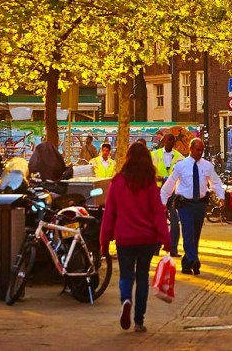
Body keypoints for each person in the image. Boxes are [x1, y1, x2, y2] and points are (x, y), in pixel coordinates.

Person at [99, 141, 170, 333]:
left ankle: (126, 300)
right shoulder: (149, 183)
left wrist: (103, 242)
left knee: (126, 275)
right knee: (142, 277)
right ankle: (139, 320)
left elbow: (109, 214)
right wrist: (166, 239)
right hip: (147, 239)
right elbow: (158, 213)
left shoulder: (117, 182)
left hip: (124, 238)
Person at [160, 138, 224, 276]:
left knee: (195, 235)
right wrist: (163, 201)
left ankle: (187, 264)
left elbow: (215, 182)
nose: (200, 152)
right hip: (184, 205)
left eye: (202, 150)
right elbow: (170, 184)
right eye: (198, 149)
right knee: (188, 233)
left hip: (200, 205)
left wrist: (221, 196)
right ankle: (195, 260)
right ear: (191, 149)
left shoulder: (207, 166)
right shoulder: (181, 166)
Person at [151, 134, 184, 257]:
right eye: (169, 140)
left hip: (174, 193)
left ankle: (173, 249)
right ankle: (156, 247)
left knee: (175, 221)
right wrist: (157, 177)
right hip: (158, 191)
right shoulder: (154, 155)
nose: (171, 142)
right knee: (158, 221)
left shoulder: (179, 157)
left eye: (173, 140)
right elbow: (148, 171)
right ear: (164, 141)